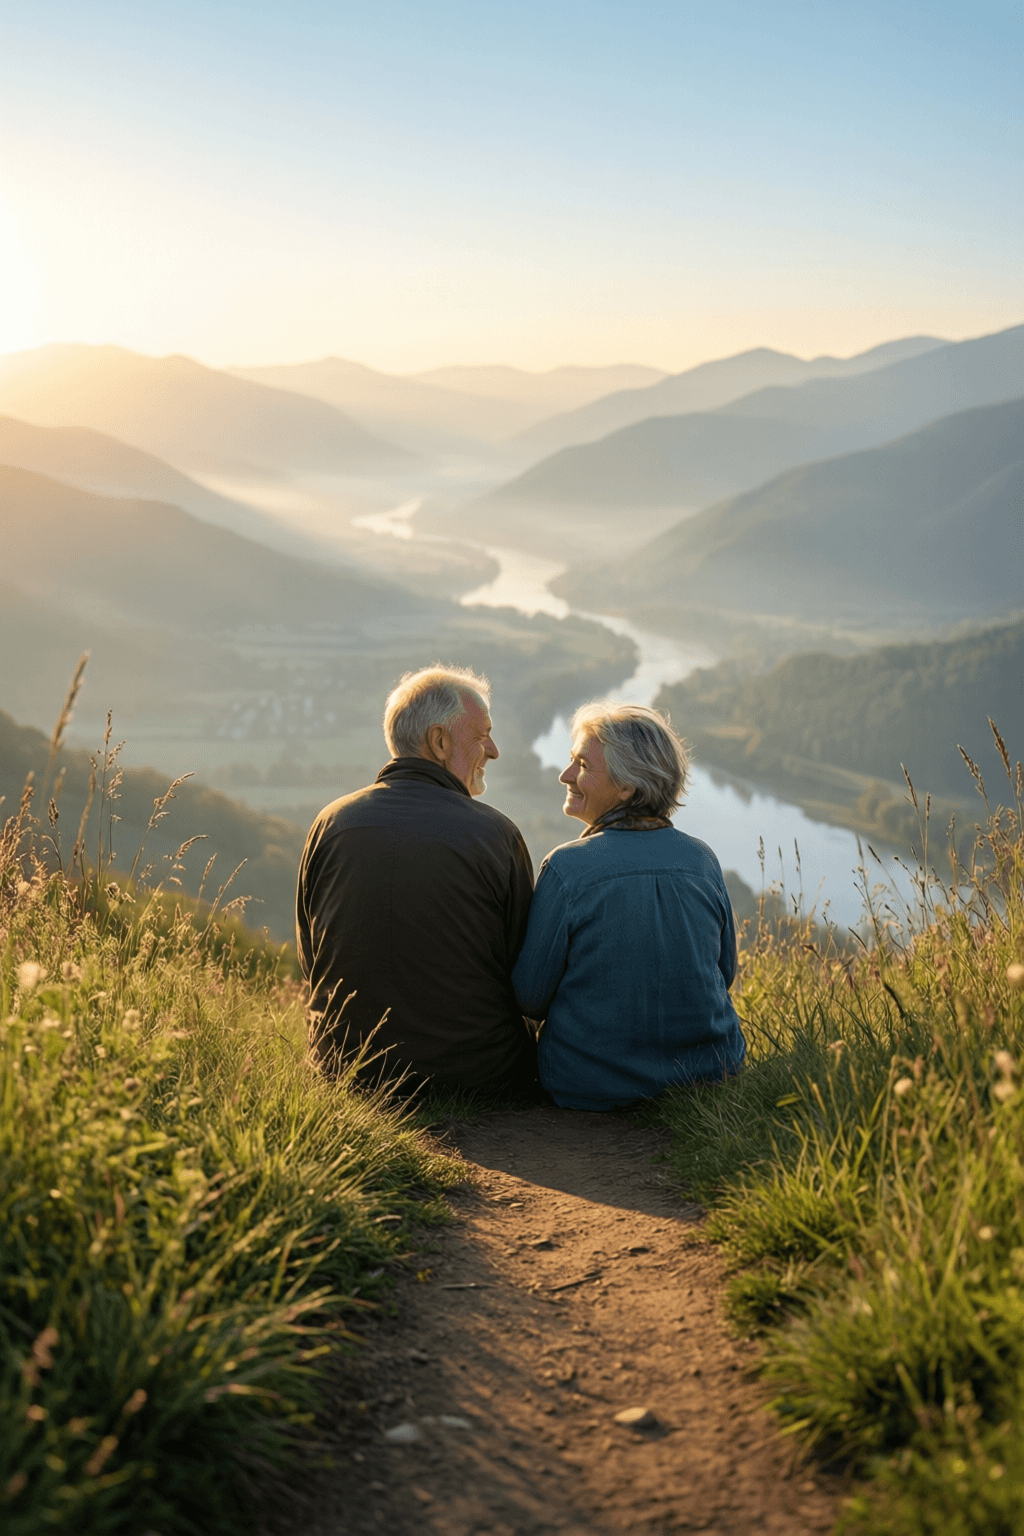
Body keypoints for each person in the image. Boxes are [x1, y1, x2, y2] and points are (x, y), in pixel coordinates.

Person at [296, 665, 536, 1094]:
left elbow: (311, 957)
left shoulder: (331, 824)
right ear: (439, 742)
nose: (494, 750)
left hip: (345, 1071)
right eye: (482, 735)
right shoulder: (496, 834)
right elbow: (525, 973)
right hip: (476, 1075)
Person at [511, 701, 746, 1111]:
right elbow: (723, 975)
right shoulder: (702, 860)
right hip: (708, 1076)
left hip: (586, 1084)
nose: (566, 776)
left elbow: (530, 996)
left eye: (582, 765)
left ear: (627, 787)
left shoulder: (567, 867)